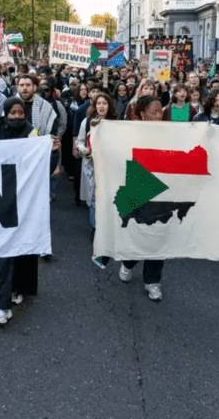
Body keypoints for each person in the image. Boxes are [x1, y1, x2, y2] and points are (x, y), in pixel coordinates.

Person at [0, 98, 39, 325]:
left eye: (21, 113)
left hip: (24, 197)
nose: (17, 117)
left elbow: (43, 163)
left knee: (21, 246)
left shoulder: (33, 133)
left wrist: (51, 151)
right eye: (13, 113)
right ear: (5, 113)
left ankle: (18, 287)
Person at [117, 94, 168, 301]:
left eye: (160, 112)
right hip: (137, 190)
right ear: (142, 113)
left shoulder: (170, 134)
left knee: (159, 236)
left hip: (162, 192)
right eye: (153, 112)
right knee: (138, 233)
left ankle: (153, 281)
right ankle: (128, 261)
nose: (158, 116)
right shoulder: (131, 133)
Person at [76, 93, 117, 250]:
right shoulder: (87, 122)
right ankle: (95, 228)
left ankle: (108, 228)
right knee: (94, 199)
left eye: (104, 103)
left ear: (109, 106)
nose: (101, 106)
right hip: (92, 166)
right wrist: (84, 150)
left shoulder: (116, 124)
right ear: (94, 106)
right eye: (99, 103)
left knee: (109, 198)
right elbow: (80, 141)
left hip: (110, 167)